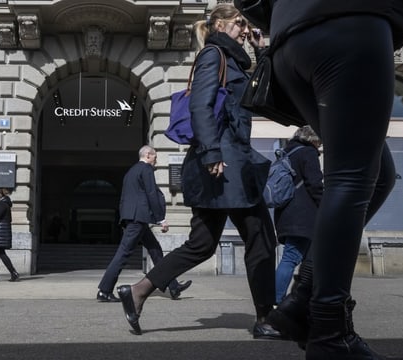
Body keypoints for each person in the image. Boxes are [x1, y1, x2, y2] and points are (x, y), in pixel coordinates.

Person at [261, 0, 403, 358]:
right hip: (352, 20)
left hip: (291, 40)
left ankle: (302, 301)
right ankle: (330, 332)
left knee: (378, 177)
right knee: (350, 180)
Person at [116, 5, 280, 339]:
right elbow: (200, 105)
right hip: (224, 164)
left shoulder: (234, 59)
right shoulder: (214, 55)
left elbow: (260, 96)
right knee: (260, 238)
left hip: (229, 163)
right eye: (240, 23)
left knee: (202, 243)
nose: (244, 29)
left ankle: (137, 292)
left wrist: (261, 51)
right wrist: (210, 152)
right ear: (220, 24)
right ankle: (266, 318)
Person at [96, 145, 192, 303]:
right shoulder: (146, 169)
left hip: (134, 218)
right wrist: (161, 218)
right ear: (148, 155)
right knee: (123, 254)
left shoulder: (130, 172)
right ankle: (104, 290)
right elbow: (151, 194)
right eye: (155, 156)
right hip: (138, 219)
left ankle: (173, 286)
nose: (156, 159)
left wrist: (124, 218)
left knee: (155, 251)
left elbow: (124, 198)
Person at [273, 126, 323, 304]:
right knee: (292, 257)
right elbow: (315, 184)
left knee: (308, 259)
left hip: (286, 214)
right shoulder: (308, 153)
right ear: (313, 139)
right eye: (319, 141)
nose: (320, 145)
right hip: (303, 216)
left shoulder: (287, 152)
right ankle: (276, 300)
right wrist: (326, 206)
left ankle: (303, 299)